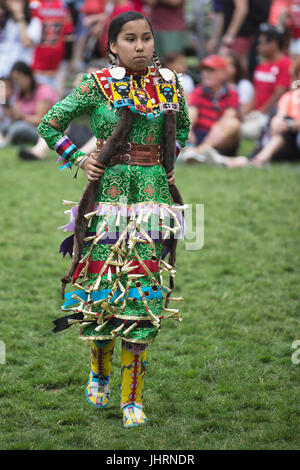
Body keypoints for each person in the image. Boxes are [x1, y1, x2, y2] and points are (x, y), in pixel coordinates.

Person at [38, 10, 191, 428]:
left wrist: (168, 160)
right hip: (107, 200)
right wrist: (80, 158)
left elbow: (182, 132)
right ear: (112, 46)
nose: (140, 46)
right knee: (104, 289)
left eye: (146, 38)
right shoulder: (96, 85)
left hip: (153, 199)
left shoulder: (170, 85)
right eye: (130, 39)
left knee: (142, 296)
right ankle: (100, 370)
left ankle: (132, 400)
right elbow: (49, 124)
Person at [205, 58, 300, 168]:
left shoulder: (236, 89)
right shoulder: (289, 97)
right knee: (278, 121)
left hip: (289, 139)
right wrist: (279, 123)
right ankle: (245, 159)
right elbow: (280, 116)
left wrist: (288, 125)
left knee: (284, 127)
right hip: (281, 139)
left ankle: (257, 159)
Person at [179, 54, 240, 164]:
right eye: (204, 71)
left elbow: (230, 115)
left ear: (222, 73)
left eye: (211, 71)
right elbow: (192, 112)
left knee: (233, 123)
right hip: (200, 135)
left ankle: (198, 152)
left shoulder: (232, 93)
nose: (205, 74)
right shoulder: (199, 90)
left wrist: (217, 127)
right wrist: (188, 129)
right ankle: (199, 152)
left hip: (220, 137)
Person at [241, 22, 292, 140]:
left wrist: (261, 113)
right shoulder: (261, 66)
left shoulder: (285, 64)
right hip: (256, 114)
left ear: (273, 44)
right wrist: (244, 113)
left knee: (246, 131)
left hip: (272, 115)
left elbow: (279, 94)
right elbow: (255, 95)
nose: (258, 48)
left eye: (261, 44)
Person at [0, 61, 57, 154]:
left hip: (43, 131)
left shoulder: (43, 91)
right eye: (14, 80)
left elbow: (41, 120)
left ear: (29, 76)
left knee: (18, 128)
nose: (17, 82)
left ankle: (5, 143)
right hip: (23, 126)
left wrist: (21, 117)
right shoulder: (19, 94)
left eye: (19, 78)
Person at [0, 0, 42, 78]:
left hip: (19, 75)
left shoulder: (34, 22)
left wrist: (20, 17)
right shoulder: (4, 22)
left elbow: (26, 43)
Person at [222, 49, 255, 117]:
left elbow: (243, 110)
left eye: (230, 64)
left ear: (237, 67)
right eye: (223, 64)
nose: (226, 68)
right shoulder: (205, 88)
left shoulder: (244, 85)